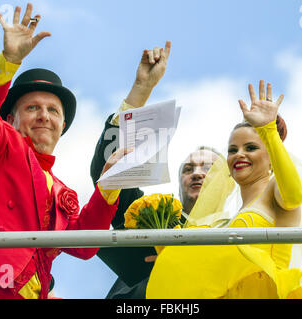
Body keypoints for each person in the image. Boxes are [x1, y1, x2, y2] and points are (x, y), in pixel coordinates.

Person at [0, 3, 127, 299]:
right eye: (32, 107)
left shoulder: (59, 189)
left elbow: (85, 244)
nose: (44, 116)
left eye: (52, 110)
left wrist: (110, 184)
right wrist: (8, 61)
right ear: (9, 119)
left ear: (62, 125)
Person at [146, 80, 302, 298]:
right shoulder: (229, 217)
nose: (239, 154)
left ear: (271, 159)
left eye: (251, 147)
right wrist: (175, 258)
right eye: (232, 150)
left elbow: (294, 195)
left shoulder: (276, 190)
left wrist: (269, 132)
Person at [90, 44, 221, 298]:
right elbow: (107, 174)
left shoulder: (241, 230)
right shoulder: (153, 214)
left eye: (209, 168)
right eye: (189, 168)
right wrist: (142, 89)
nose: (197, 173)